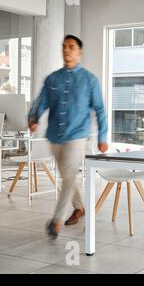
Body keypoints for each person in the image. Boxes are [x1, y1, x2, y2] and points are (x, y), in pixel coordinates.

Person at [28, 35, 108, 238]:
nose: (67, 50)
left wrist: (102, 137)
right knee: (67, 177)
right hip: (55, 135)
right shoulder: (52, 79)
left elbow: (99, 109)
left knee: (69, 175)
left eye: (71, 47)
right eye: (64, 47)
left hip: (77, 135)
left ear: (80, 52)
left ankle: (56, 221)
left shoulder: (90, 80)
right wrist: (33, 117)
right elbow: (41, 101)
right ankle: (80, 207)